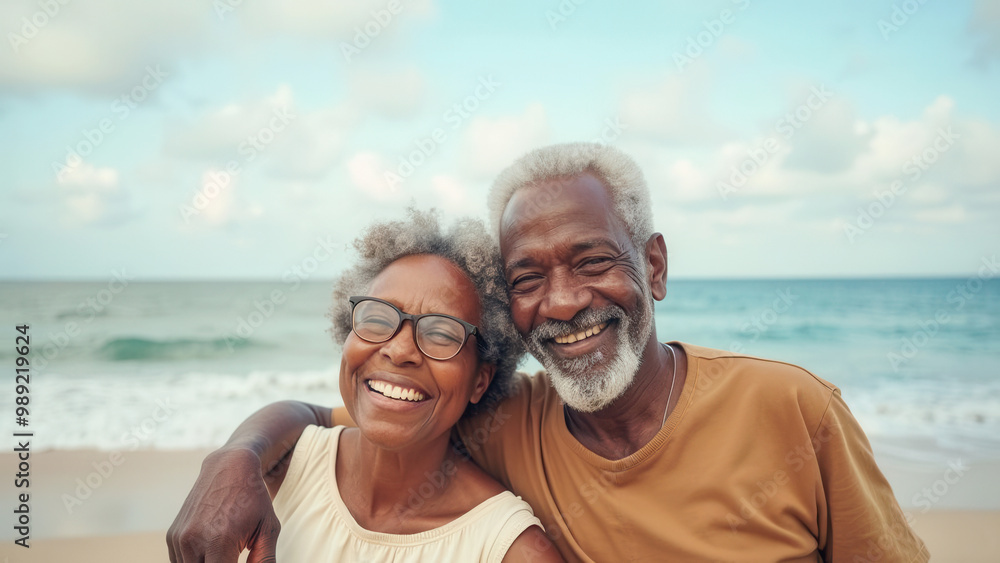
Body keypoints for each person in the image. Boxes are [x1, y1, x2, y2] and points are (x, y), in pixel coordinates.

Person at [168, 143, 929, 562]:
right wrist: (233, 457)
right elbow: (334, 415)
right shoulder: (505, 419)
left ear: (654, 266)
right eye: (529, 276)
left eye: (593, 260)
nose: (563, 301)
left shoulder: (789, 406)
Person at [168, 210, 562, 562]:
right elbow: (305, 415)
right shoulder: (276, 469)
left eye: (442, 332)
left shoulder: (508, 548)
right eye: (377, 317)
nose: (399, 349)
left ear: (480, 380)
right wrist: (237, 455)